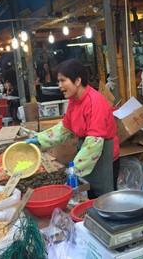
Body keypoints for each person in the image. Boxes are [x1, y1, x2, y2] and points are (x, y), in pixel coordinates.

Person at [26, 59, 119, 198]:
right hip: (87, 151)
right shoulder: (74, 101)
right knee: (90, 196)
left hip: (102, 153)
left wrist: (74, 170)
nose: (60, 86)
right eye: (58, 82)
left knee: (105, 199)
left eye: (63, 80)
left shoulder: (95, 101)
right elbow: (65, 128)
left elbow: (94, 142)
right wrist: (40, 139)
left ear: (77, 81)